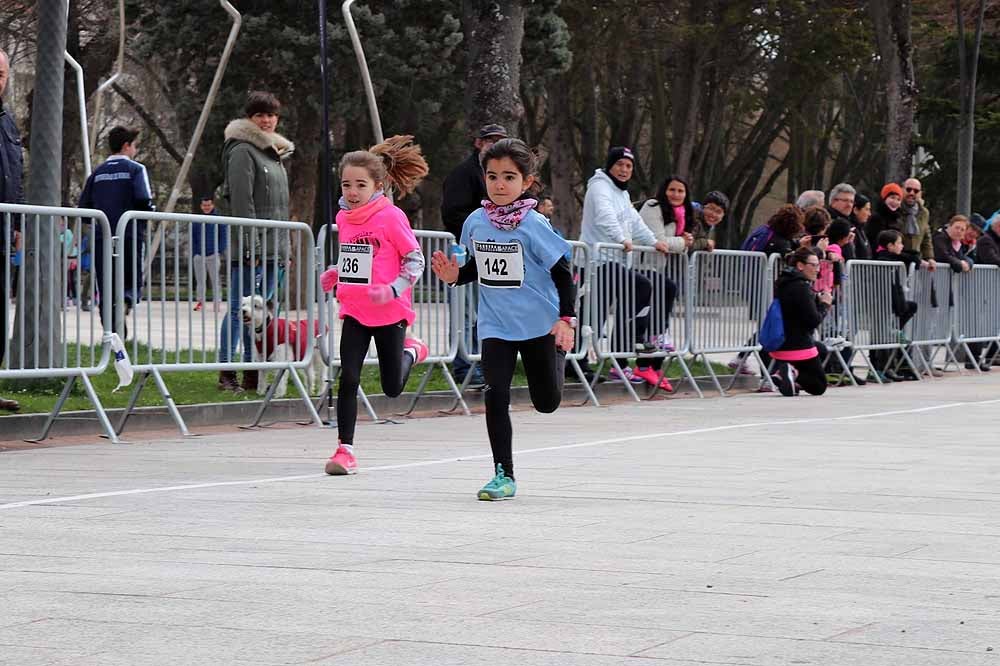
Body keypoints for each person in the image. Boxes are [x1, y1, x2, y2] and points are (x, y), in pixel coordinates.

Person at [431, 138, 576, 500]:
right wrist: (455, 276)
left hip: (539, 324)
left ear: (526, 182)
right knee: (495, 394)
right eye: (492, 176)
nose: (499, 184)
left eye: (509, 177)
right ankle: (503, 474)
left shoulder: (535, 224)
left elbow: (563, 273)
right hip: (496, 324)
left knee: (546, 402)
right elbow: (476, 267)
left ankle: (558, 354)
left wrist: (565, 319)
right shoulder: (475, 222)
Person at [320, 135, 430, 476]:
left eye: (360, 185)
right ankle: (345, 450)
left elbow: (415, 260)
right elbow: (357, 260)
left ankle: (412, 350)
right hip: (355, 310)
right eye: (346, 185)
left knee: (391, 388)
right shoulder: (344, 219)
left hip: (390, 312)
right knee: (348, 377)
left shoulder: (391, 217)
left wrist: (394, 289)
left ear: (377, 186)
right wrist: (337, 272)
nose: (353, 192)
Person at [579, 146, 674, 391]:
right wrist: (621, 239)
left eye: (629, 166)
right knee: (596, 313)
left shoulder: (621, 193)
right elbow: (604, 217)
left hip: (615, 261)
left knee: (600, 313)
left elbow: (635, 221)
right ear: (610, 166)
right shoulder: (599, 187)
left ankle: (622, 352)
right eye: (620, 164)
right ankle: (582, 360)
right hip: (597, 262)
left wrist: (654, 241)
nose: (624, 170)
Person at [217, 91, 293, 393]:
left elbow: (280, 207)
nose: (267, 120)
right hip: (252, 250)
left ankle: (253, 371)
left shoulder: (274, 154)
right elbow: (242, 202)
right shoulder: (242, 150)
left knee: (261, 313)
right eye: (260, 114)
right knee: (240, 310)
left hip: (275, 249)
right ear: (249, 118)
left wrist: (286, 249)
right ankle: (226, 372)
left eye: (271, 115)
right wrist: (252, 247)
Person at [441, 123, 508, 388]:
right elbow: (452, 213)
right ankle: (464, 366)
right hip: (466, 250)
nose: (495, 145)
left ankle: (482, 362)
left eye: (500, 141)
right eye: (490, 140)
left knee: (487, 311)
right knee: (465, 311)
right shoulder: (463, 174)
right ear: (479, 143)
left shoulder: (502, 176)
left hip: (492, 251)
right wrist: (480, 231)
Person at [79, 125, 155, 341]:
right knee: (131, 277)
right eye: (135, 146)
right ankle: (127, 300)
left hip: (102, 236)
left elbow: (84, 207)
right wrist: (150, 213)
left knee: (106, 282)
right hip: (129, 233)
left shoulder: (97, 173)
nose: (135, 150)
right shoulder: (135, 169)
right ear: (126, 146)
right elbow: (143, 199)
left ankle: (111, 330)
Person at [770, 246, 832, 397]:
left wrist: (815, 300)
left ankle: (788, 376)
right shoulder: (801, 286)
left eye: (818, 265)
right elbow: (813, 321)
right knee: (818, 387)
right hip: (798, 344)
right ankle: (792, 372)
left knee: (821, 349)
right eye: (813, 265)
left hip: (780, 342)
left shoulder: (783, 282)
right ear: (800, 265)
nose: (817, 269)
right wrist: (825, 304)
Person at [933, 215, 988, 372]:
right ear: (950, 226)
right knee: (933, 324)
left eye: (962, 229)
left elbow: (967, 259)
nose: (972, 233)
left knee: (973, 321)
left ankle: (974, 358)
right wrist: (960, 264)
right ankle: (922, 363)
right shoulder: (942, 238)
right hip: (939, 286)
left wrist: (966, 263)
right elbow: (946, 257)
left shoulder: (965, 244)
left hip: (961, 288)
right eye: (958, 228)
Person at [0, 48, 22, 411]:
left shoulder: (8, 121)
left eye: (1, 74)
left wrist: (18, 223)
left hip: (3, 231)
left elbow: (16, 174)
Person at [871, 229, 922, 382]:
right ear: (890, 246)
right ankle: (877, 368)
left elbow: (915, 258)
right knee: (880, 336)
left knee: (910, 307)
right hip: (881, 303)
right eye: (899, 243)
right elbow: (913, 258)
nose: (902, 246)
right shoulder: (883, 259)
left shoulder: (895, 259)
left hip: (893, 303)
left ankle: (889, 365)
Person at [191, 195, 226, 312]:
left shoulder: (219, 220)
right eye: (204, 205)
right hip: (199, 254)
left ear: (212, 205)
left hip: (213, 254)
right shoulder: (197, 220)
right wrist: (195, 252)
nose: (206, 207)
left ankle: (217, 302)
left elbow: (223, 237)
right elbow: (193, 237)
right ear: (201, 206)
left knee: (215, 280)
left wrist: (218, 250)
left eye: (208, 205)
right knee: (200, 280)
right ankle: (200, 302)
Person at [900, 178, 936, 269]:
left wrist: (929, 258)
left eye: (916, 191)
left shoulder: (924, 213)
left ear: (920, 194)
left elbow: (926, 237)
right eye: (908, 189)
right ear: (902, 190)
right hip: (898, 258)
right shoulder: (896, 208)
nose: (912, 193)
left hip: (915, 259)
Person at [845, 193, 872, 260]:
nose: (869, 214)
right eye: (867, 209)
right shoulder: (850, 230)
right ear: (856, 210)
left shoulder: (861, 229)